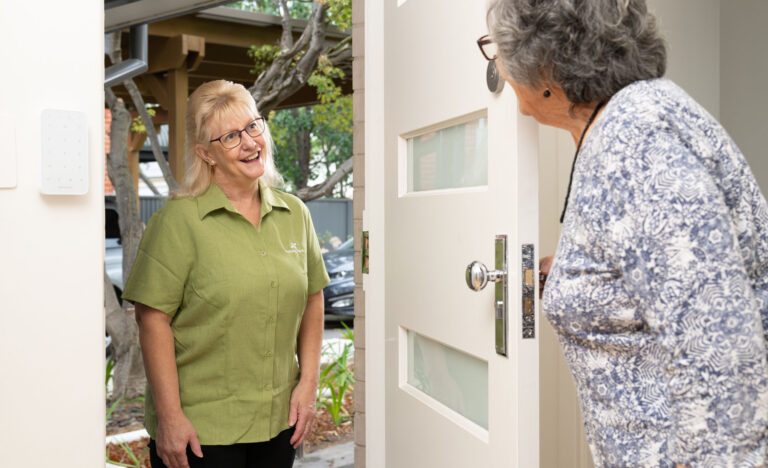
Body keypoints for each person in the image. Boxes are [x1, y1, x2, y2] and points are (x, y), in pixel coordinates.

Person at [482, 0, 768, 466]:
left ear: (546, 70)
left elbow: (717, 347)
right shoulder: (629, 121)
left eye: (499, 53)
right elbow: (664, 268)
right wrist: (581, 274)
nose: (499, 69)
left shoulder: (634, 143)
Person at [122, 80, 330, 468]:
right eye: (231, 136)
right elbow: (152, 321)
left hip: (278, 422)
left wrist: (308, 385)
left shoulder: (294, 213)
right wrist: (169, 418)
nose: (251, 143)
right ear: (206, 154)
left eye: (254, 126)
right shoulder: (178, 222)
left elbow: (312, 298)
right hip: (202, 432)